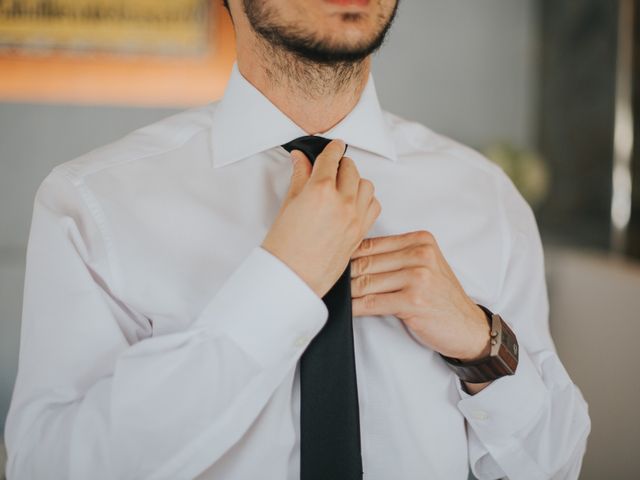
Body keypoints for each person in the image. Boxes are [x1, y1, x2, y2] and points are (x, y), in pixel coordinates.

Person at [5, 1, 590, 479]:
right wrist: (278, 287)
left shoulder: (484, 194)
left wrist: (479, 343)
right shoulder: (94, 203)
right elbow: (45, 466)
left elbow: (553, 464)